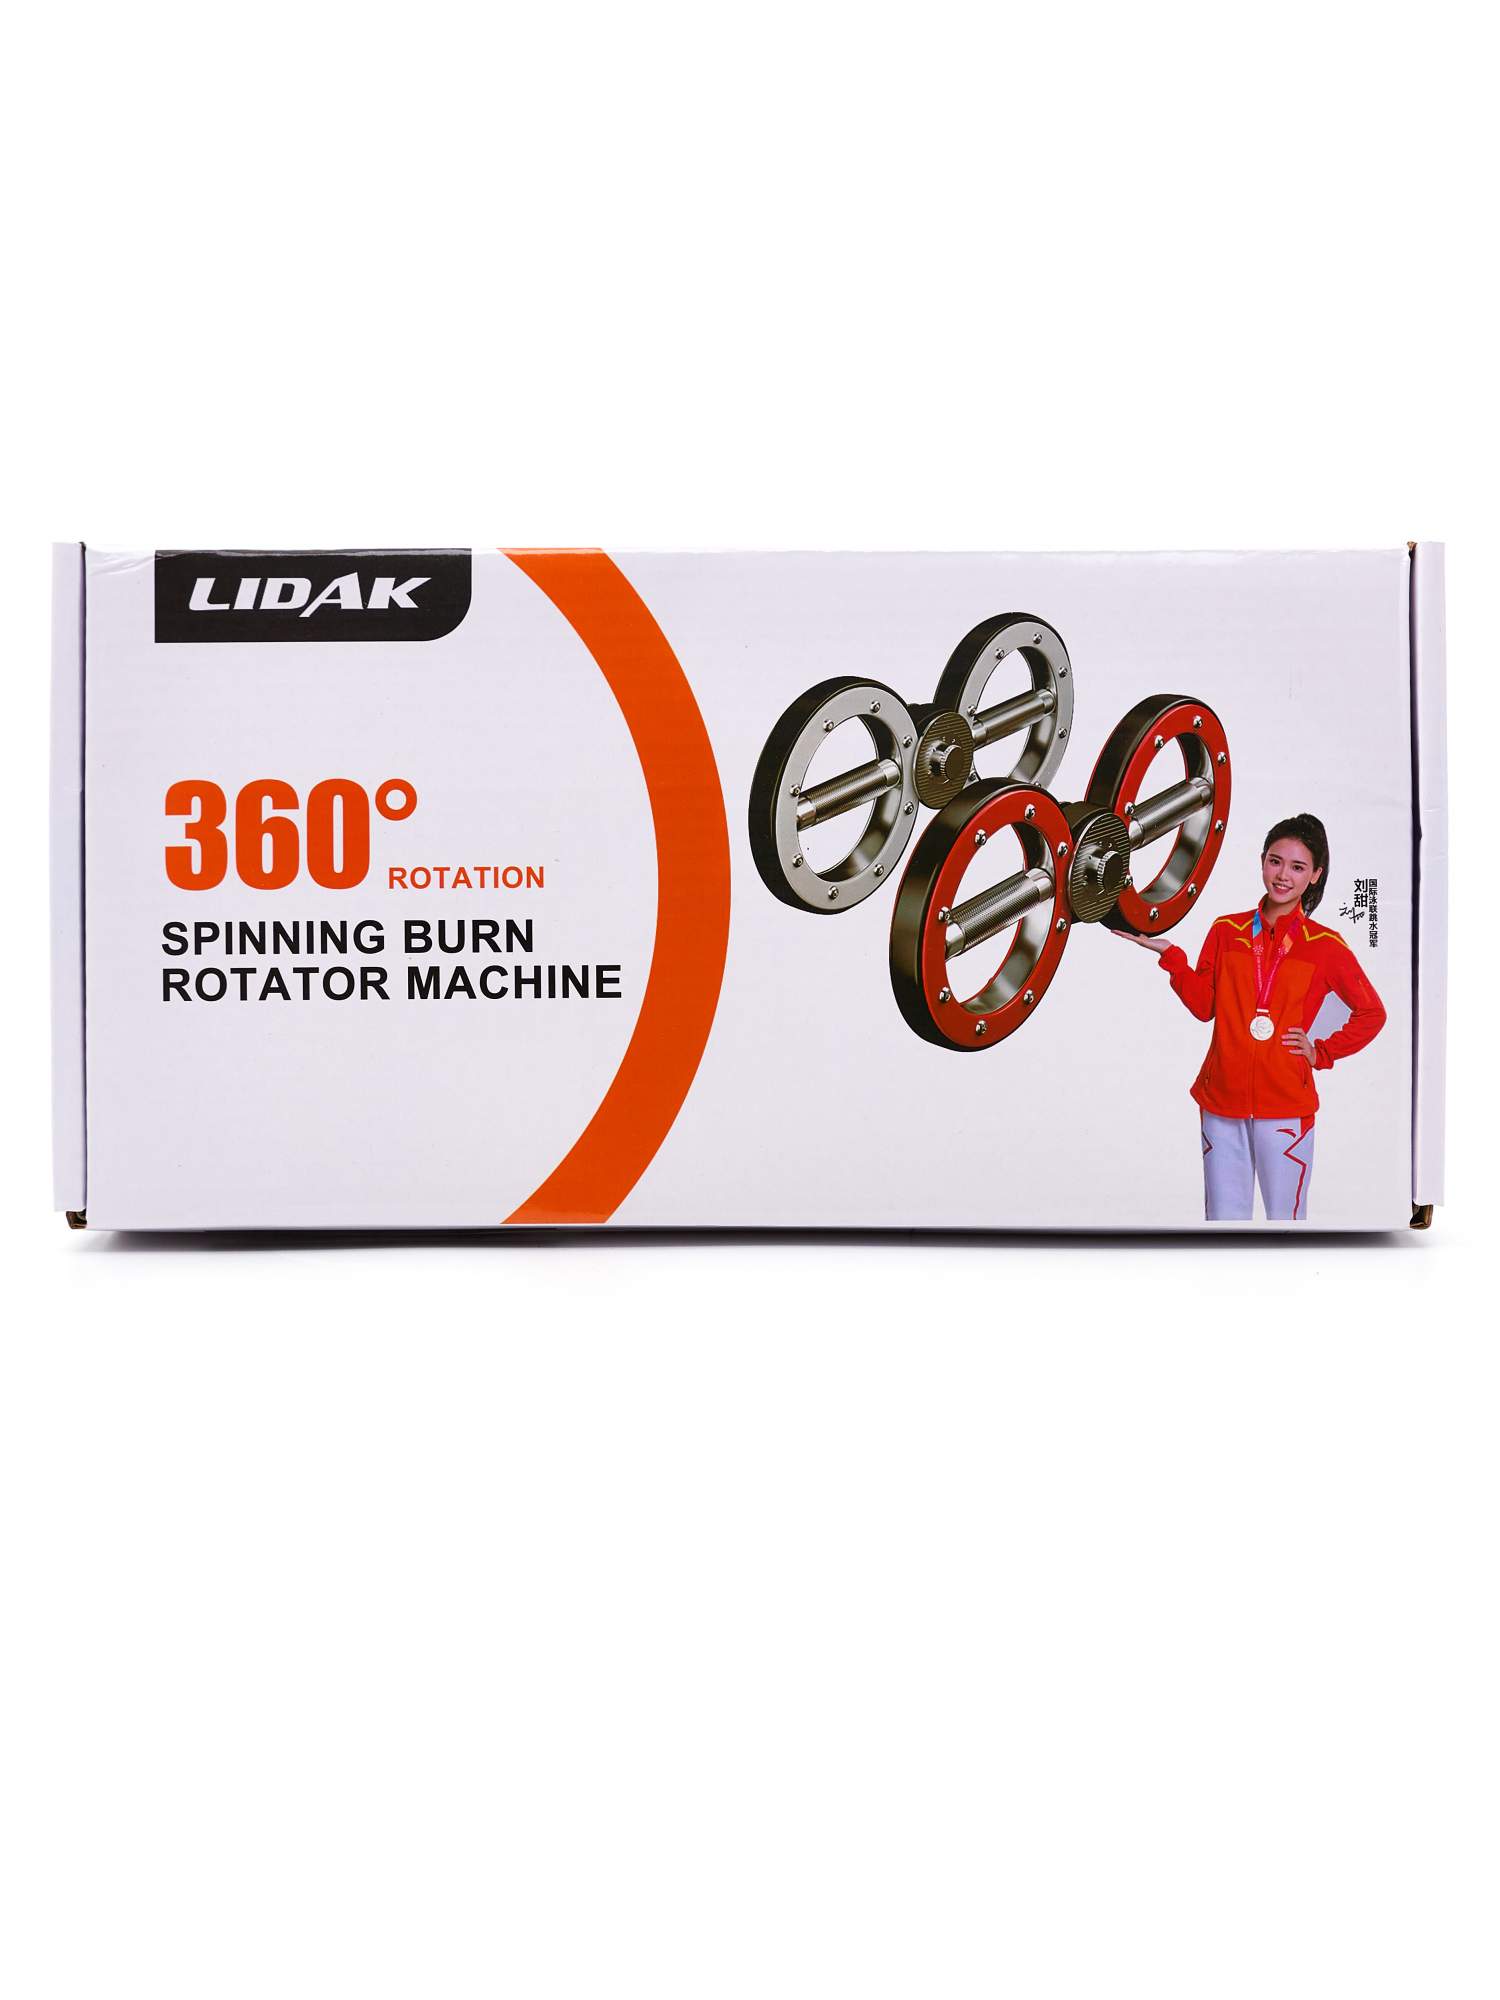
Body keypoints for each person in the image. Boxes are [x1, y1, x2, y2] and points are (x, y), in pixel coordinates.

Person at [1114, 813, 1385, 1221]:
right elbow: (1204, 1006)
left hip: (1286, 1109)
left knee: (1285, 1223)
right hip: (1221, 1103)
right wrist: (1172, 958)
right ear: (1262, 862)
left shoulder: (1326, 946)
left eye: (1298, 867)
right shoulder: (1227, 931)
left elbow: (1371, 1012)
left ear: (1315, 875)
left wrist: (1321, 1052)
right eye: (1275, 861)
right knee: (1224, 1223)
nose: (1283, 876)